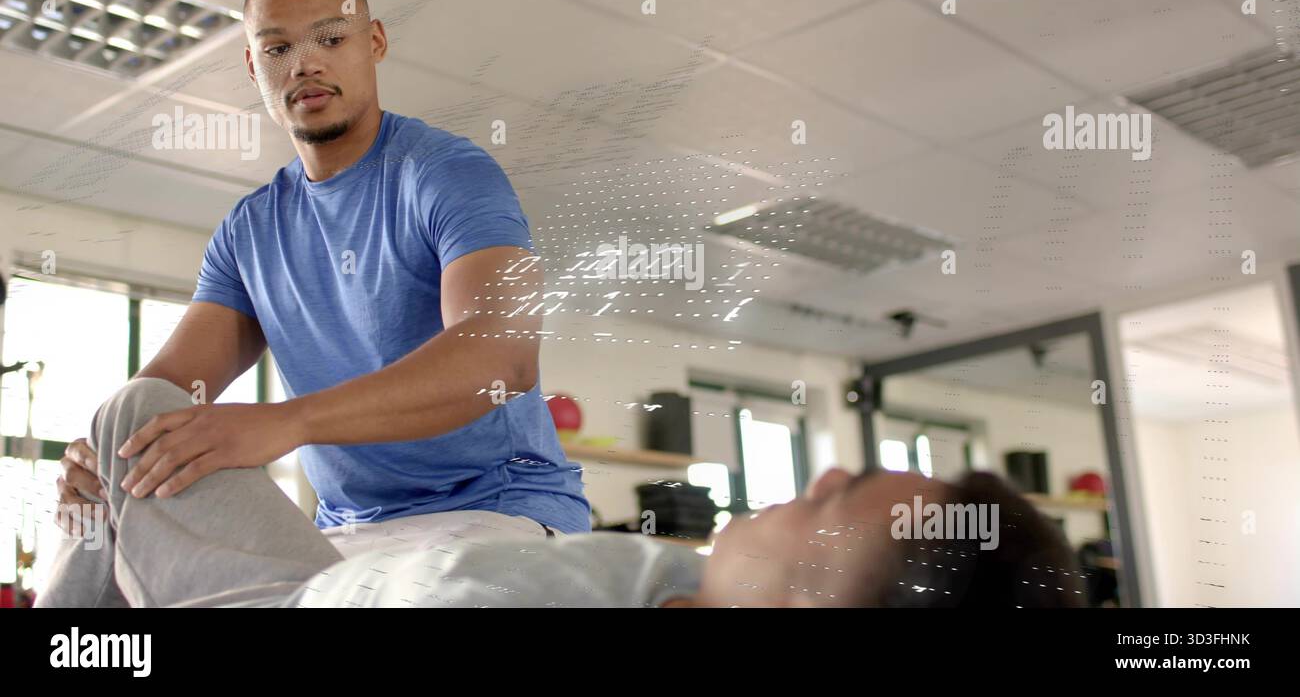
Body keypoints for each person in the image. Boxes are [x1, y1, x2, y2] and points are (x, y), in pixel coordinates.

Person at [42, 0, 591, 606]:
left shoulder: (445, 174)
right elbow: (165, 390)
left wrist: (289, 422)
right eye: (277, 48)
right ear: (254, 66)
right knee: (130, 420)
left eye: (331, 38)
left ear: (374, 42)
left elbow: (502, 356)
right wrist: (100, 453)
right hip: (347, 541)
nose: (304, 63)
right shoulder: (249, 231)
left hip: (493, 519)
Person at [40, 377, 1085, 607]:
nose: (815, 477)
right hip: (327, 574)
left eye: (835, 499)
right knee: (136, 425)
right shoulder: (686, 577)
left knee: (134, 421)